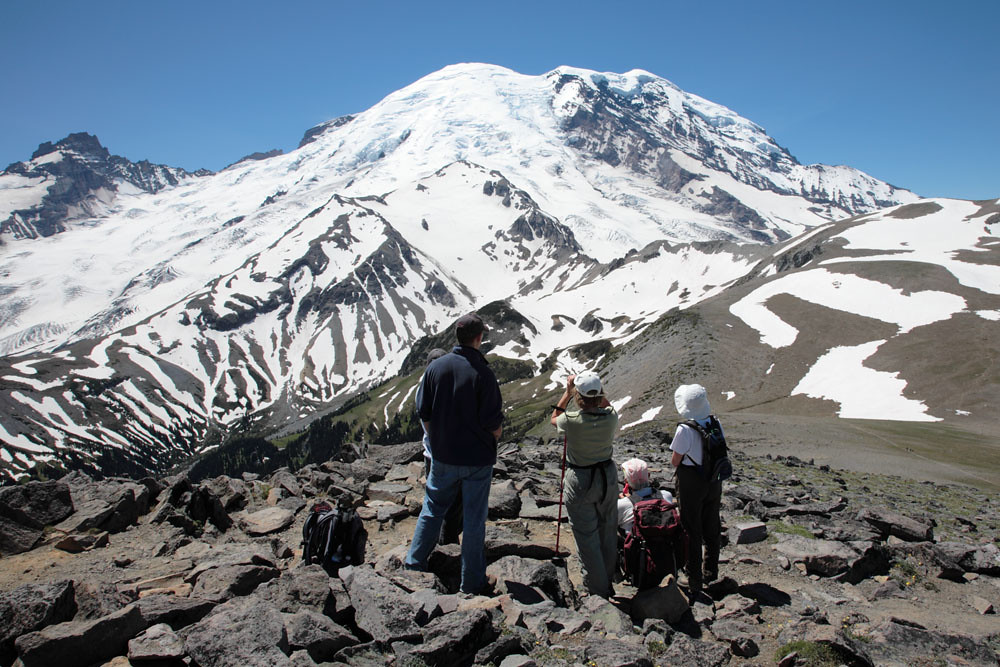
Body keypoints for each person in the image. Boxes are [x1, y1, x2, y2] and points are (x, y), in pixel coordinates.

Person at [405, 313, 503, 594]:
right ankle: (471, 582)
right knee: (473, 520)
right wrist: (492, 437)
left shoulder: (436, 368)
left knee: (432, 509)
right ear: (479, 338)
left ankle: (414, 564)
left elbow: (424, 412)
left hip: (443, 457)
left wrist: (437, 441)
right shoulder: (484, 373)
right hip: (477, 460)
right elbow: (494, 424)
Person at [550, 371, 619, 598]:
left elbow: (554, 418)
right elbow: (607, 405)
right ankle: (608, 579)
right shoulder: (611, 417)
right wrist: (596, 391)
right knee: (608, 528)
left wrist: (567, 393)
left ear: (579, 396)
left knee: (586, 534)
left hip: (580, 479)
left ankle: (597, 590)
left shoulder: (571, 421)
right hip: (607, 477)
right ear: (600, 395)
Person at [669, 383, 723, 595]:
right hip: (714, 479)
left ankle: (693, 577)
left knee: (691, 528)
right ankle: (711, 571)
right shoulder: (715, 422)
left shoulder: (685, 429)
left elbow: (676, 460)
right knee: (712, 524)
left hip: (691, 481)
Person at [416, 348, 462, 544]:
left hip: (432, 455)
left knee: (435, 503)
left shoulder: (423, 389)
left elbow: (427, 422)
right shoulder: (453, 389)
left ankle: (428, 546)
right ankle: (447, 546)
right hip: (451, 456)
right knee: (453, 506)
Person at [616, 458, 675, 533]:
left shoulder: (621, 505)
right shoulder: (666, 495)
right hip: (666, 538)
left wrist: (625, 500)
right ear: (648, 475)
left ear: (626, 481)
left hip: (637, 540)